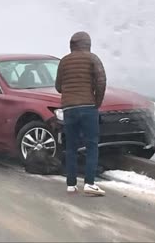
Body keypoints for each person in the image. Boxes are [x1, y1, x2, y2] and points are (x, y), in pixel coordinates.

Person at [55, 31, 107, 196]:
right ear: (87, 44)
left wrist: (70, 91)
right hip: (87, 107)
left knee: (71, 146)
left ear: (72, 45)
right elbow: (101, 81)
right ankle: (90, 183)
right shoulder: (93, 59)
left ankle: (71, 184)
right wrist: (97, 102)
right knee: (92, 145)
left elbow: (58, 87)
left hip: (68, 108)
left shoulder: (64, 61)